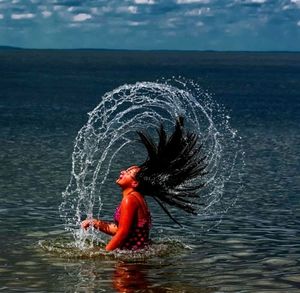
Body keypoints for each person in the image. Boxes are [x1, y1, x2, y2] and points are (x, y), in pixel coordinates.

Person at [81, 116, 207, 251]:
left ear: (134, 183)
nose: (123, 171)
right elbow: (121, 229)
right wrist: (96, 223)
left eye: (128, 173)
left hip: (129, 262)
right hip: (136, 258)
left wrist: (104, 255)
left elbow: (122, 233)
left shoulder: (130, 200)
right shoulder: (137, 198)